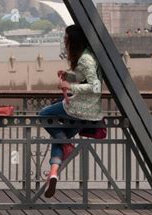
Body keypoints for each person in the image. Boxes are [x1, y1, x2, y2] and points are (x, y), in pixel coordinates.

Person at [38, 25, 104, 198]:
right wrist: (68, 75)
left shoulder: (85, 59)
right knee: (59, 139)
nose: (64, 40)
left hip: (78, 108)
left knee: (43, 115)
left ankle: (65, 144)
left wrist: (70, 86)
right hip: (89, 113)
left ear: (73, 40)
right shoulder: (88, 55)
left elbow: (95, 86)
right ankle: (53, 173)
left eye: (66, 37)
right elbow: (85, 78)